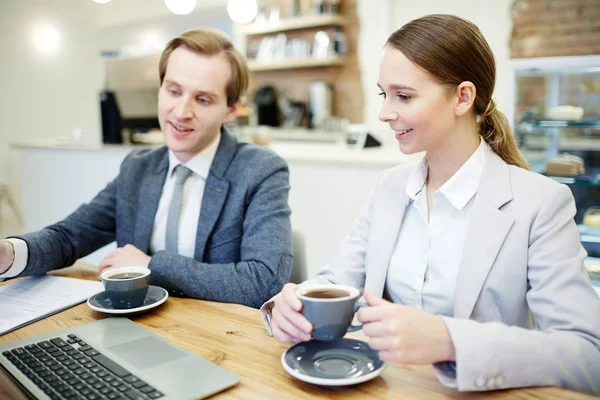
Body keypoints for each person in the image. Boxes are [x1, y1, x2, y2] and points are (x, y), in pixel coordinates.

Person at [261, 14, 600, 394]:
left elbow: (587, 354)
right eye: (383, 94)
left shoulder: (540, 203)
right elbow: (336, 282)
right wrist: (291, 306)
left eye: (403, 96)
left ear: (463, 97)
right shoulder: (389, 188)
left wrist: (448, 339)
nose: (385, 113)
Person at [0, 27, 293, 309]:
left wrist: (151, 266)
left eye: (202, 99)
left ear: (231, 109)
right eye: (174, 91)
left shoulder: (261, 171)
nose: (181, 112)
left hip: (219, 340)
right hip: (139, 329)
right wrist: (9, 253)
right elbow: (69, 237)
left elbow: (263, 281)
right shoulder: (138, 169)